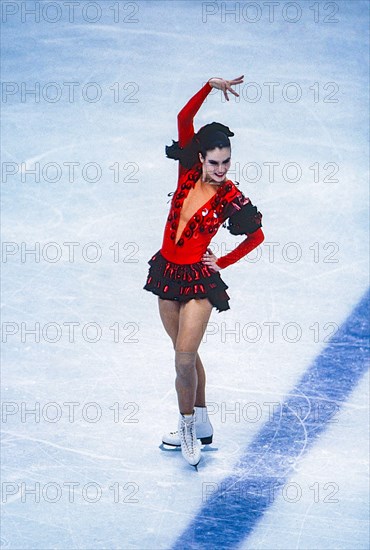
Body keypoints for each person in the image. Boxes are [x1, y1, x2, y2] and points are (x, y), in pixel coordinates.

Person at [143, 75, 265, 469]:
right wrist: (208, 88)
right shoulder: (185, 173)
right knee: (186, 355)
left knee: (182, 360)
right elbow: (184, 117)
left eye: (226, 162)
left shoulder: (230, 196)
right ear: (201, 158)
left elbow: (256, 235)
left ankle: (187, 428)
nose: (221, 169)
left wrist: (223, 262)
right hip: (166, 275)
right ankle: (204, 419)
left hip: (197, 280)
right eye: (214, 162)